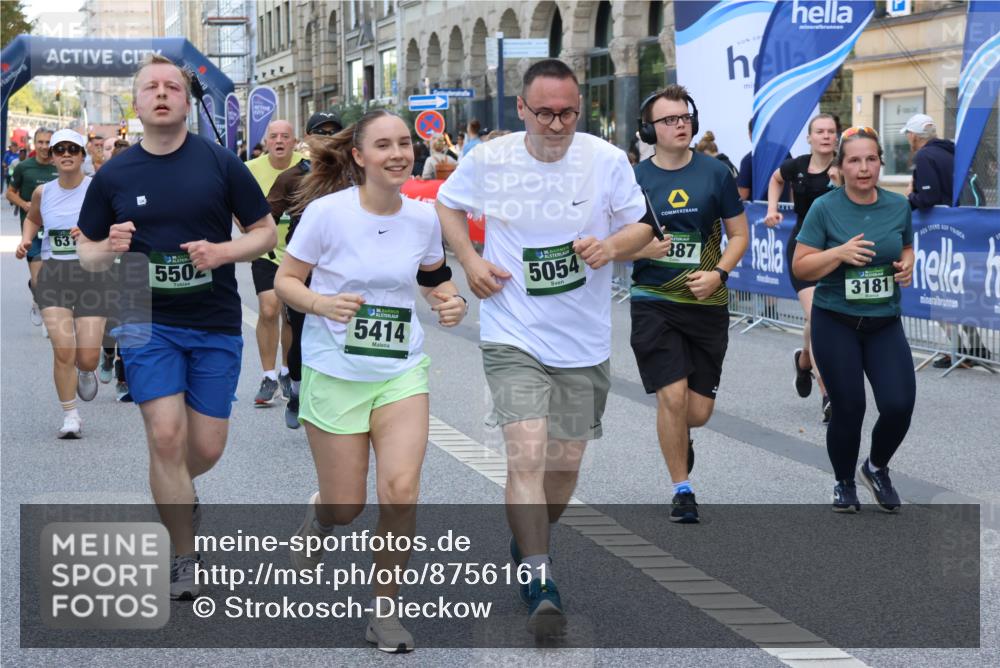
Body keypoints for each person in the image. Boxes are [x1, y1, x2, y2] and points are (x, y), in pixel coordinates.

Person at [435, 58, 654, 634]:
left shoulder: (605, 160)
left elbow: (642, 228)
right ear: (523, 111)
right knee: (527, 456)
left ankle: (527, 534)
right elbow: (447, 205)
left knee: (563, 468)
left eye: (568, 113)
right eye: (546, 114)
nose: (557, 124)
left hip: (582, 341)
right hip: (513, 331)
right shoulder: (491, 159)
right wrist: (472, 261)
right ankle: (538, 575)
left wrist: (610, 246)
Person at [76, 54, 276, 599]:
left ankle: (177, 489)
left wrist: (222, 252)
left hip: (213, 320)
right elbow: (87, 253)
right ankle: (183, 554)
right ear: (136, 103)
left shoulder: (219, 163)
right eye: (150, 88)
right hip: (147, 319)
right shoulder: (114, 173)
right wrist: (107, 247)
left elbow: (264, 233)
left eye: (172, 87)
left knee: (205, 448)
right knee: (165, 437)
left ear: (187, 101)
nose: (162, 94)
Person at [275, 110, 467, 653]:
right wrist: (321, 302)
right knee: (346, 506)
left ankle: (385, 612)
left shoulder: (423, 217)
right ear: (359, 156)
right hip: (335, 371)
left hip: (401, 370)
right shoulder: (326, 215)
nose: (398, 153)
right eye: (383, 145)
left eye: (404, 143)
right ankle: (320, 516)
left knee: (401, 491)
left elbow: (433, 276)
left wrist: (449, 302)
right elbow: (288, 280)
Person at [626, 85, 749, 524]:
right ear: (649, 130)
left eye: (684, 117)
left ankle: (680, 436)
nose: (680, 125)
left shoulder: (715, 173)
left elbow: (739, 235)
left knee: (696, 411)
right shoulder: (636, 179)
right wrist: (644, 252)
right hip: (654, 300)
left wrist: (719, 273)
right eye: (669, 120)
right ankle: (683, 489)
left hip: (707, 303)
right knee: (672, 397)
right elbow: (615, 244)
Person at [792, 126, 915, 513]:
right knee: (849, 407)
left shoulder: (898, 206)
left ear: (881, 162)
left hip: (883, 322)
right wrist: (838, 254)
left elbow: (906, 245)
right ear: (841, 166)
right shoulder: (825, 208)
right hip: (836, 322)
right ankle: (844, 481)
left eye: (871, 159)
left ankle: (876, 467)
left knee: (898, 405)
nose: (864, 168)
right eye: (855, 160)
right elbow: (802, 266)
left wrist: (907, 264)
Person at [15, 129, 104, 438]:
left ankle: (86, 367)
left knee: (87, 355)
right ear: (51, 156)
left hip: (92, 275)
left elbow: (117, 225)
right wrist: (26, 240)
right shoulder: (43, 192)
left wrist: (94, 234)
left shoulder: (98, 189)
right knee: (63, 349)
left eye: (73, 149)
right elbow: (33, 219)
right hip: (55, 275)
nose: (66, 154)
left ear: (82, 155)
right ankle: (70, 415)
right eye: (59, 149)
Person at [267, 110, 343, 429]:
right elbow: (265, 217)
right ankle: (296, 388)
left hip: (343, 266)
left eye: (333, 132)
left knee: (342, 331)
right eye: (320, 131)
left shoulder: (355, 174)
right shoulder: (292, 177)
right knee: (300, 332)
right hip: (304, 268)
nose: (326, 137)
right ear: (307, 138)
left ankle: (340, 394)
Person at [764, 113, 840, 423]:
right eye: (819, 131)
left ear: (837, 137)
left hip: (835, 250)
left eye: (831, 131)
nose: (825, 136)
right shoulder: (796, 166)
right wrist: (771, 208)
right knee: (818, 317)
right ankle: (828, 394)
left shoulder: (844, 168)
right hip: (802, 249)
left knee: (819, 317)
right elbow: (775, 179)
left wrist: (840, 185)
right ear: (809, 137)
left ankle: (804, 359)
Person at [245, 119, 302, 405]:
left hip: (298, 253)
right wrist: (248, 229)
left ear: (295, 141)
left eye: (285, 136)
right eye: (274, 136)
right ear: (266, 142)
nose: (279, 141)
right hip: (265, 249)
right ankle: (268, 375)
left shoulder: (307, 167)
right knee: (269, 309)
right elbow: (237, 204)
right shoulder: (251, 169)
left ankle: (286, 370)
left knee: (291, 314)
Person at [7, 127, 58, 330]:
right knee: (38, 281)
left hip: (56, 233)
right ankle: (38, 295)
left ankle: (50, 315)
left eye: (48, 142)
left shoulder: (60, 166)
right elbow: (10, 193)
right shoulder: (23, 167)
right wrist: (25, 205)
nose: (45, 146)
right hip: (33, 232)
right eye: (41, 142)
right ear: (34, 144)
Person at [96, 138, 133, 402]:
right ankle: (108, 353)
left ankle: (124, 377)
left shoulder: (147, 185)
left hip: (136, 263)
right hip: (109, 261)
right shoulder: (103, 187)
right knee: (112, 319)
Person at [736, 119, 791, 202]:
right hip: (785, 210)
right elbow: (793, 183)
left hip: (759, 212)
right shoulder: (784, 152)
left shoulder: (748, 160)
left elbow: (743, 194)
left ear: (750, 134)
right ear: (767, 132)